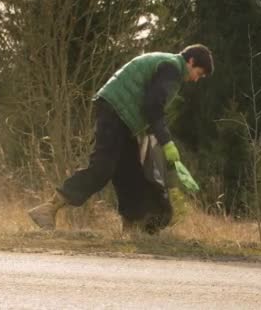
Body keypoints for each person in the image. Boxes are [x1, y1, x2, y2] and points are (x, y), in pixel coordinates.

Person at [28, 44, 214, 231]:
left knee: (130, 174)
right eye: (199, 73)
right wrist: (166, 142)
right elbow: (153, 107)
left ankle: (129, 230)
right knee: (102, 168)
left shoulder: (167, 63)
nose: (196, 79)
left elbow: (148, 104)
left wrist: (153, 137)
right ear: (191, 62)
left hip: (122, 117)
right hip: (115, 112)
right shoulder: (172, 68)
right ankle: (48, 209)